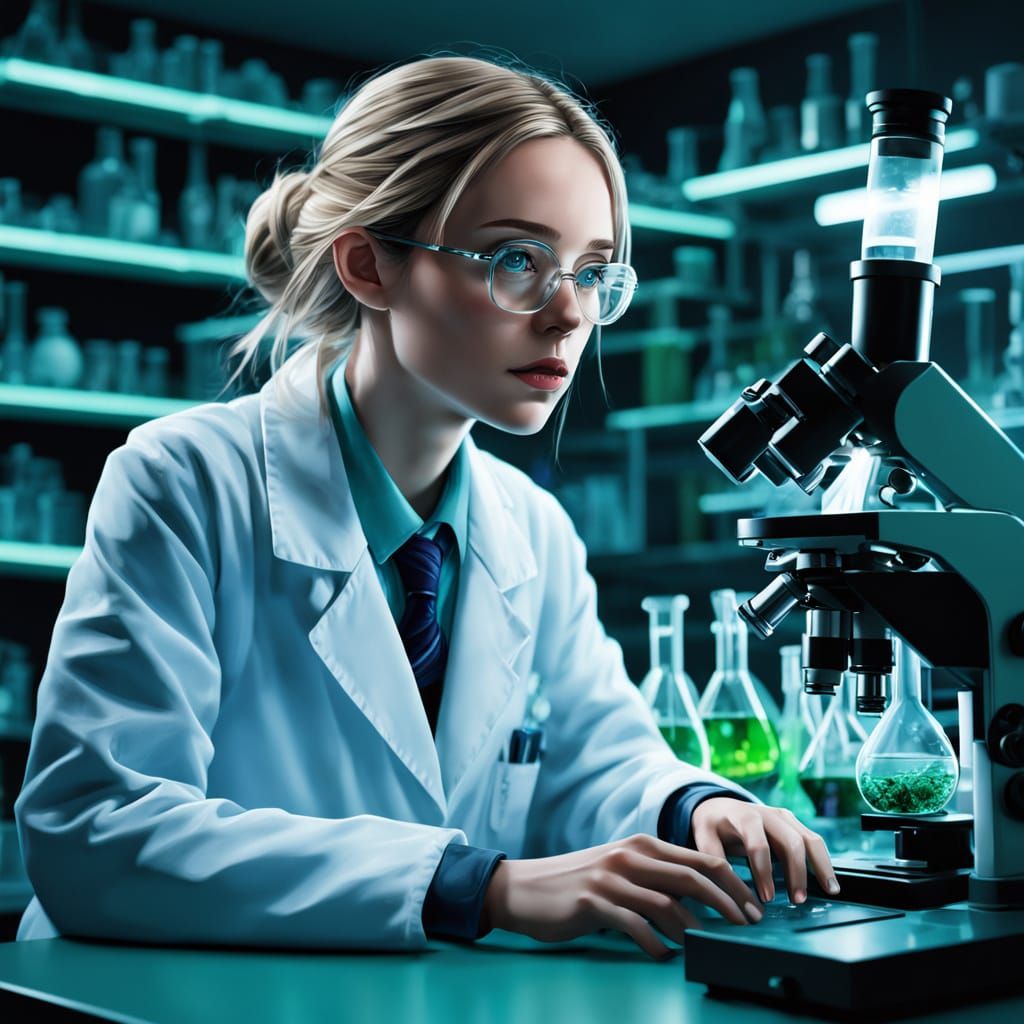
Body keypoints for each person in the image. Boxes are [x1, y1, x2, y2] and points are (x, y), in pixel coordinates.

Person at [14, 52, 838, 960]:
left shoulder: (533, 529)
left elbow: (596, 757)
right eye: (518, 260)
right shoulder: (184, 484)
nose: (569, 314)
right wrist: (472, 885)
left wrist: (696, 806)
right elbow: (95, 829)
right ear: (369, 266)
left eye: (594, 271)